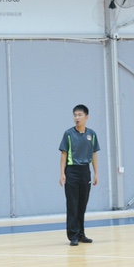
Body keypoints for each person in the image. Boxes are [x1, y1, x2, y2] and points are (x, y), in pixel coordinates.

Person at [59, 104, 100, 246]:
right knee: (72, 204)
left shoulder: (91, 134)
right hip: (72, 171)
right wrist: (62, 173)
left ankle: (81, 234)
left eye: (80, 115)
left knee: (82, 204)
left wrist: (96, 173)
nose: (77, 118)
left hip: (85, 172)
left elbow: (94, 154)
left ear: (86, 117)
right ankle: (73, 236)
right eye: (75, 115)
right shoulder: (68, 134)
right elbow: (64, 154)